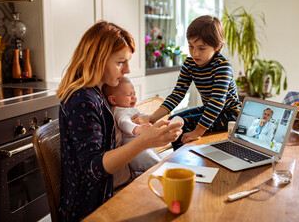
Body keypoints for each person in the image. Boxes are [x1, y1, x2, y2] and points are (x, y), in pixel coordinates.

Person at [56, 21, 183, 221]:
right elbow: (93, 168)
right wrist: (145, 140)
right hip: (93, 208)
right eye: (120, 62)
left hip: (113, 190)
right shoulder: (81, 100)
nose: (127, 70)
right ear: (97, 59)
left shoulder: (98, 93)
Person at [149, 15, 241, 150]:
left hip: (230, 114)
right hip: (211, 109)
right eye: (191, 46)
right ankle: (180, 159)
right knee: (174, 119)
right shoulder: (189, 63)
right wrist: (151, 118)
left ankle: (182, 161)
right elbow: (177, 94)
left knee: (181, 123)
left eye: (201, 48)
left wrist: (197, 132)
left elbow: (216, 102)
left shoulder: (222, 66)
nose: (195, 53)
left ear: (218, 46)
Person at [103, 77, 162, 172]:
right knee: (159, 166)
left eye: (134, 94)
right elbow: (124, 122)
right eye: (129, 95)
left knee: (157, 162)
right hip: (138, 154)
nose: (134, 97)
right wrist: (137, 129)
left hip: (141, 149)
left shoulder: (125, 108)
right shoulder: (119, 111)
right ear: (113, 100)